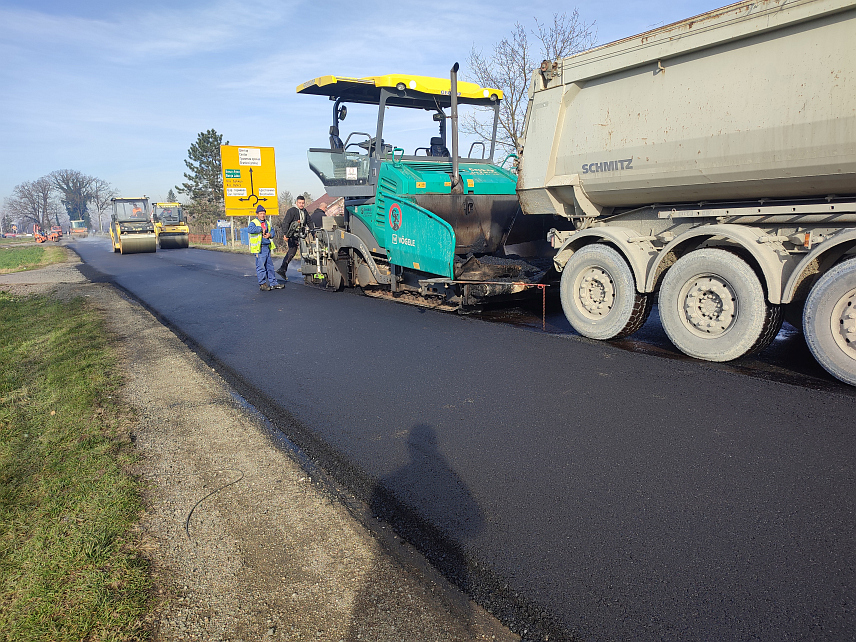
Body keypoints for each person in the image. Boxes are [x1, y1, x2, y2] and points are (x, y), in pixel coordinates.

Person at [247, 205, 283, 291]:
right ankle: (262, 284)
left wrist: (270, 234)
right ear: (257, 214)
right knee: (261, 267)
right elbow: (250, 230)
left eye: (264, 213)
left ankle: (273, 283)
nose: (263, 215)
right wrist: (260, 229)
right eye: (261, 213)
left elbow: (272, 231)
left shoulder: (267, 222)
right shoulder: (254, 222)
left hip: (267, 247)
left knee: (270, 266)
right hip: (259, 248)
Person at [276, 195, 309, 280]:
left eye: (303, 203)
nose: (301, 204)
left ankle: (283, 269)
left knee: (305, 251)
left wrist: (313, 231)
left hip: (301, 235)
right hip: (292, 235)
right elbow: (286, 222)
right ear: (296, 203)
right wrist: (285, 234)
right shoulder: (292, 211)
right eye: (300, 203)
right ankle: (282, 269)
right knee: (292, 251)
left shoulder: (304, 212)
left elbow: (309, 221)